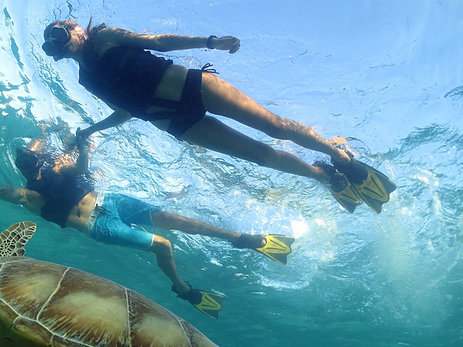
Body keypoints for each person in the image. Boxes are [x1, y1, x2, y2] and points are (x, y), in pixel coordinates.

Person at [41, 19, 396, 213]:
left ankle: (340, 157)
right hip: (172, 121)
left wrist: (210, 42)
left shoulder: (104, 36)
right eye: (53, 44)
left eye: (60, 33)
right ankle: (322, 175)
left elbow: (159, 41)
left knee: (274, 126)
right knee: (260, 156)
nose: (61, 42)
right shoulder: (85, 78)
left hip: (192, 86)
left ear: (74, 26)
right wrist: (90, 129)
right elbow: (123, 110)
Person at [0, 134, 294, 319]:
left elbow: (77, 167)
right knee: (163, 244)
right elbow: (15, 195)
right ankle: (184, 290)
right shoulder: (35, 195)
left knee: (172, 218)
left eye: (41, 162)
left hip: (112, 199)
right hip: (99, 225)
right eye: (35, 167)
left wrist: (82, 148)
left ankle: (241, 239)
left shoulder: (57, 169)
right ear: (31, 173)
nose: (41, 168)